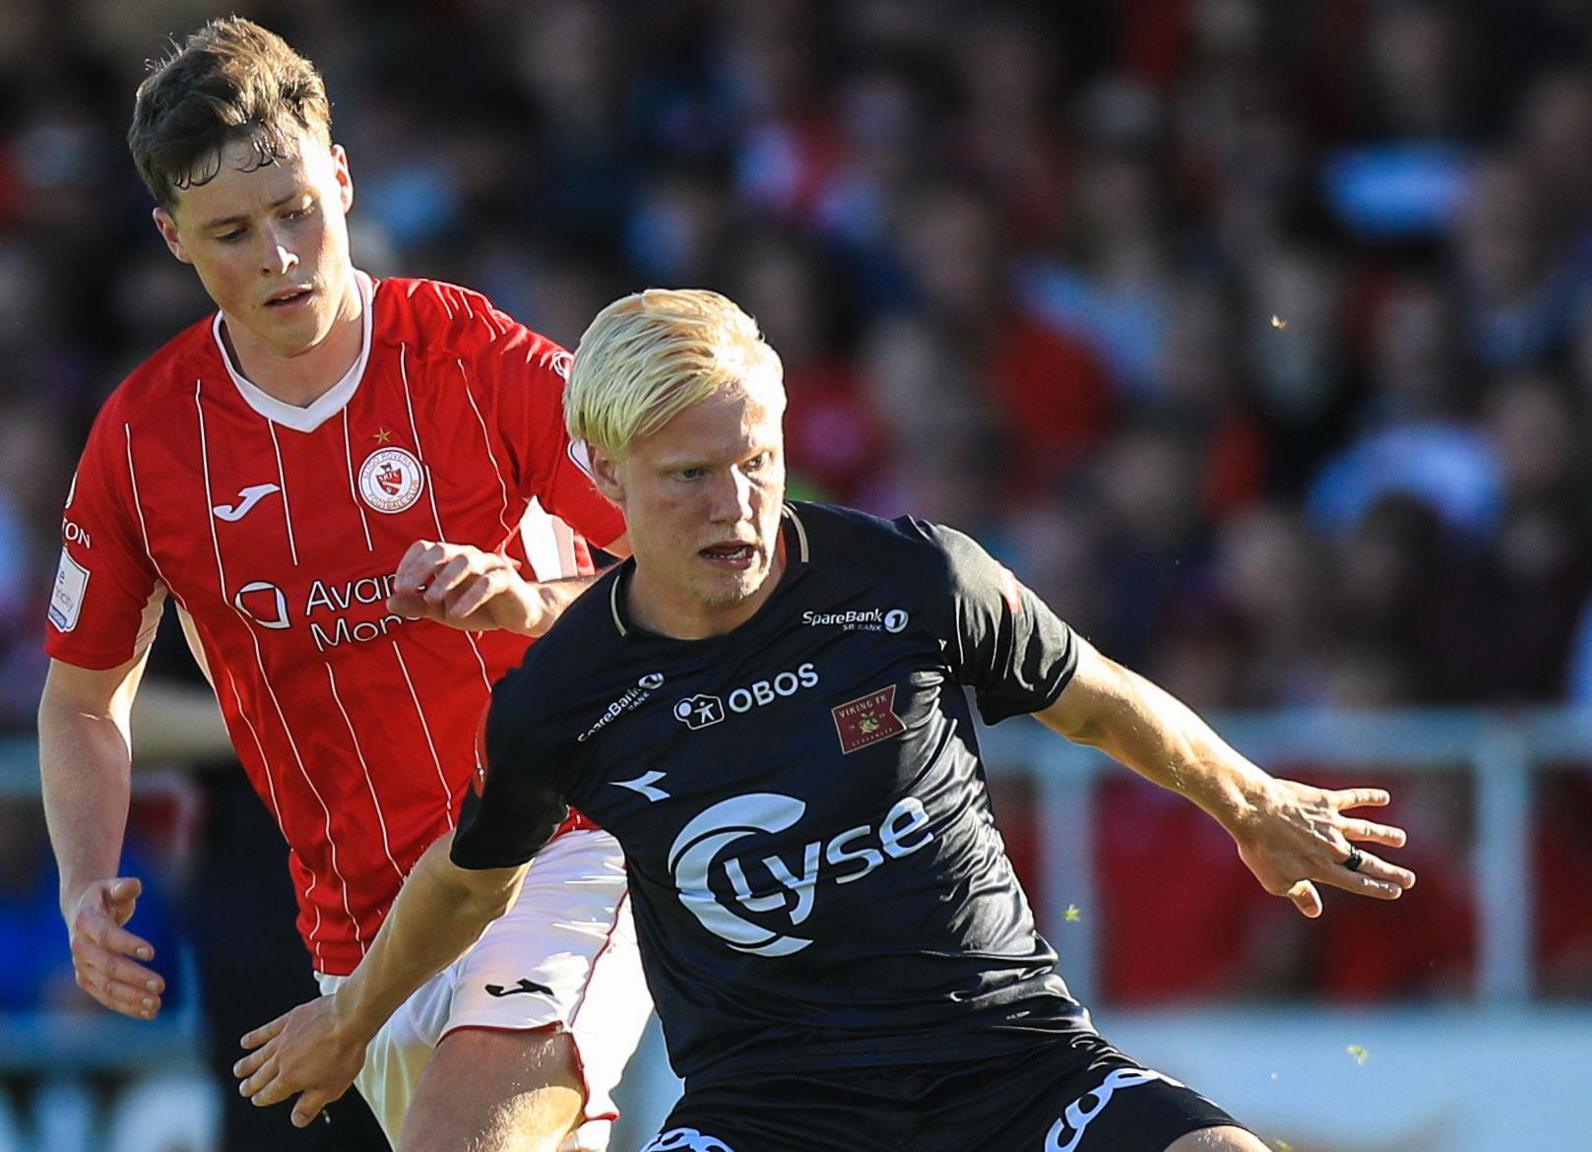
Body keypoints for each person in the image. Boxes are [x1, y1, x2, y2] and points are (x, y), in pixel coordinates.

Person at [235, 287, 1416, 1151]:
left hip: (1008, 1068)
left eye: (753, 463)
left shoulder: (912, 581)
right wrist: (353, 1017)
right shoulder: (565, 693)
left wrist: (1248, 802)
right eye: (685, 477)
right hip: (772, 1112)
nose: (733, 506)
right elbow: (470, 876)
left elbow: (1096, 698)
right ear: (602, 478)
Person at [38, 18, 653, 1152]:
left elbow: (675, 572)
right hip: (356, 923)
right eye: (232, 232)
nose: (278, 254)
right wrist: (87, 882)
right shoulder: (144, 442)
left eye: (297, 211)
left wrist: (526, 601)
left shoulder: (471, 355)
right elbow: (83, 699)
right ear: (174, 238)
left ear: (343, 176)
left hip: (559, 845)